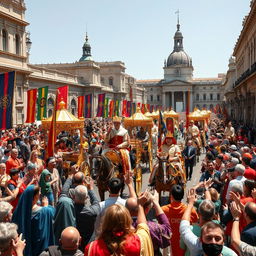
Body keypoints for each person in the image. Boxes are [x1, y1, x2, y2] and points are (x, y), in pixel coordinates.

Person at [84, 194, 154, 256]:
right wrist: (140, 205)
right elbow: (143, 226)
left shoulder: (92, 248)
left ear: (105, 222)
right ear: (128, 221)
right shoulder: (137, 243)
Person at [179, 188, 237, 256]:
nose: (213, 242)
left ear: (200, 239)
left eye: (217, 238)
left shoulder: (196, 246)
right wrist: (236, 219)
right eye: (209, 238)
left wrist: (190, 204)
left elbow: (183, 227)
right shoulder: (231, 254)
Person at [12, 185, 55, 256]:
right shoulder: (45, 212)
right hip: (40, 250)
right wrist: (46, 207)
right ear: (35, 197)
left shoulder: (17, 212)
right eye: (39, 193)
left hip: (23, 249)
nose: (40, 194)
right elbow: (53, 216)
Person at [126, 190, 171, 255]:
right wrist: (156, 203)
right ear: (147, 210)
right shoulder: (152, 227)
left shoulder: (122, 226)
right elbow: (168, 232)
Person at [161, 185, 198, 256]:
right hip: (185, 247)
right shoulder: (191, 211)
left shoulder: (163, 210)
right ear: (182, 196)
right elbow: (196, 224)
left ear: (171, 196)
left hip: (170, 247)